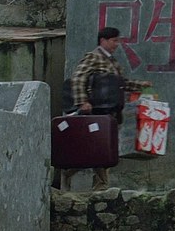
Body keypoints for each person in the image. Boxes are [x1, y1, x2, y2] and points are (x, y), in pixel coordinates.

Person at [65, 27, 152, 191]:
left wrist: (140, 85)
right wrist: (82, 102)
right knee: (101, 148)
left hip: (110, 113)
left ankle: (89, 180)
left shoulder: (112, 62)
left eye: (117, 41)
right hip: (97, 112)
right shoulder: (94, 57)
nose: (116, 44)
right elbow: (78, 77)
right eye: (114, 40)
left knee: (102, 149)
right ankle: (97, 184)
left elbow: (120, 84)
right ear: (103, 41)